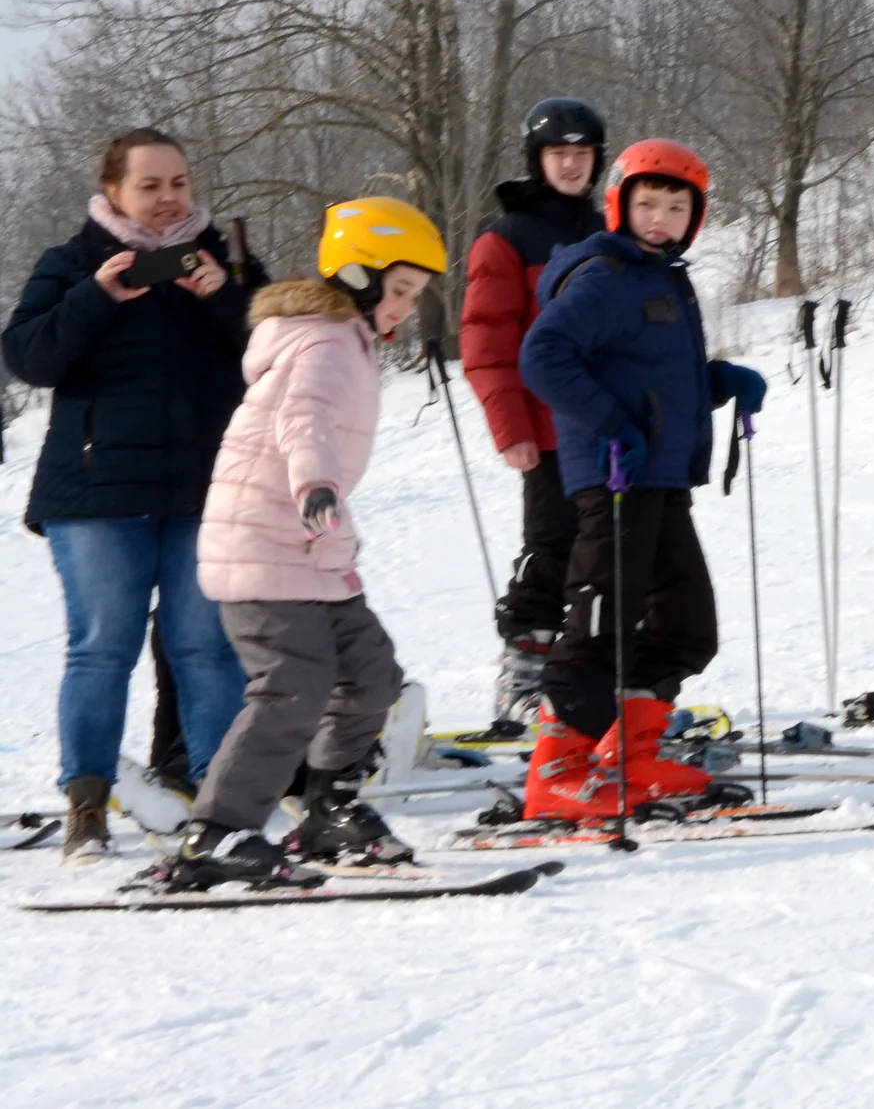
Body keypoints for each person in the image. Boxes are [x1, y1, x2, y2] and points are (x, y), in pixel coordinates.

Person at [147, 199, 447, 890]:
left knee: (371, 674)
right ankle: (214, 835)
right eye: (399, 290)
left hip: (312, 549)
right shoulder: (324, 342)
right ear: (360, 276)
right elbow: (302, 418)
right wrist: (315, 486)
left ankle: (328, 805)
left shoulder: (346, 338)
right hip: (265, 542)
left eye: (414, 296)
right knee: (292, 689)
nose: (405, 307)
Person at [3, 128, 257, 864]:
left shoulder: (225, 257)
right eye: (149, 185)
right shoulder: (74, 262)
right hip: (96, 493)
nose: (168, 197)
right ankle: (87, 804)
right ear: (113, 190)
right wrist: (98, 296)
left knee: (205, 647)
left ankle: (220, 804)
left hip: (206, 490)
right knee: (101, 648)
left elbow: (276, 353)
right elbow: (28, 358)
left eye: (178, 181)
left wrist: (224, 299)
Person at [516, 139, 766, 819]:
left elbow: (649, 374)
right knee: (601, 623)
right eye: (646, 203)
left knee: (686, 626)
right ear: (618, 204)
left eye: (675, 206)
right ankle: (556, 771)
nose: (659, 217)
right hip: (614, 478)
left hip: (659, 480)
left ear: (696, 216)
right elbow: (542, 357)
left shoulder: (661, 277)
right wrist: (610, 423)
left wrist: (719, 382)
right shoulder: (604, 274)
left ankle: (629, 756)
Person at [461, 97, 609, 734]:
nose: (572, 165)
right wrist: (512, 429)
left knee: (605, 555)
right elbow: (486, 343)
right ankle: (522, 675)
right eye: (559, 154)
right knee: (550, 549)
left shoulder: (611, 229)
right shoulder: (506, 239)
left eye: (582, 155)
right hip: (547, 434)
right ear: (537, 160)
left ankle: (586, 676)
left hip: (607, 426)